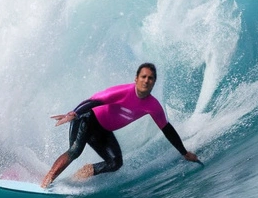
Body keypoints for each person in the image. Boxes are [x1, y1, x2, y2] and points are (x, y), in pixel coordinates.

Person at [41, 63, 201, 187]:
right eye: (143, 76)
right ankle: (47, 180)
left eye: (150, 78)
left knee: (116, 162)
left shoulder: (153, 106)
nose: (146, 80)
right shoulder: (123, 91)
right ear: (136, 79)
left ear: (154, 82)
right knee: (75, 151)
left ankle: (79, 175)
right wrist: (74, 114)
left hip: (103, 130)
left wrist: (184, 152)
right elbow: (93, 101)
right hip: (87, 118)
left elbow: (167, 129)